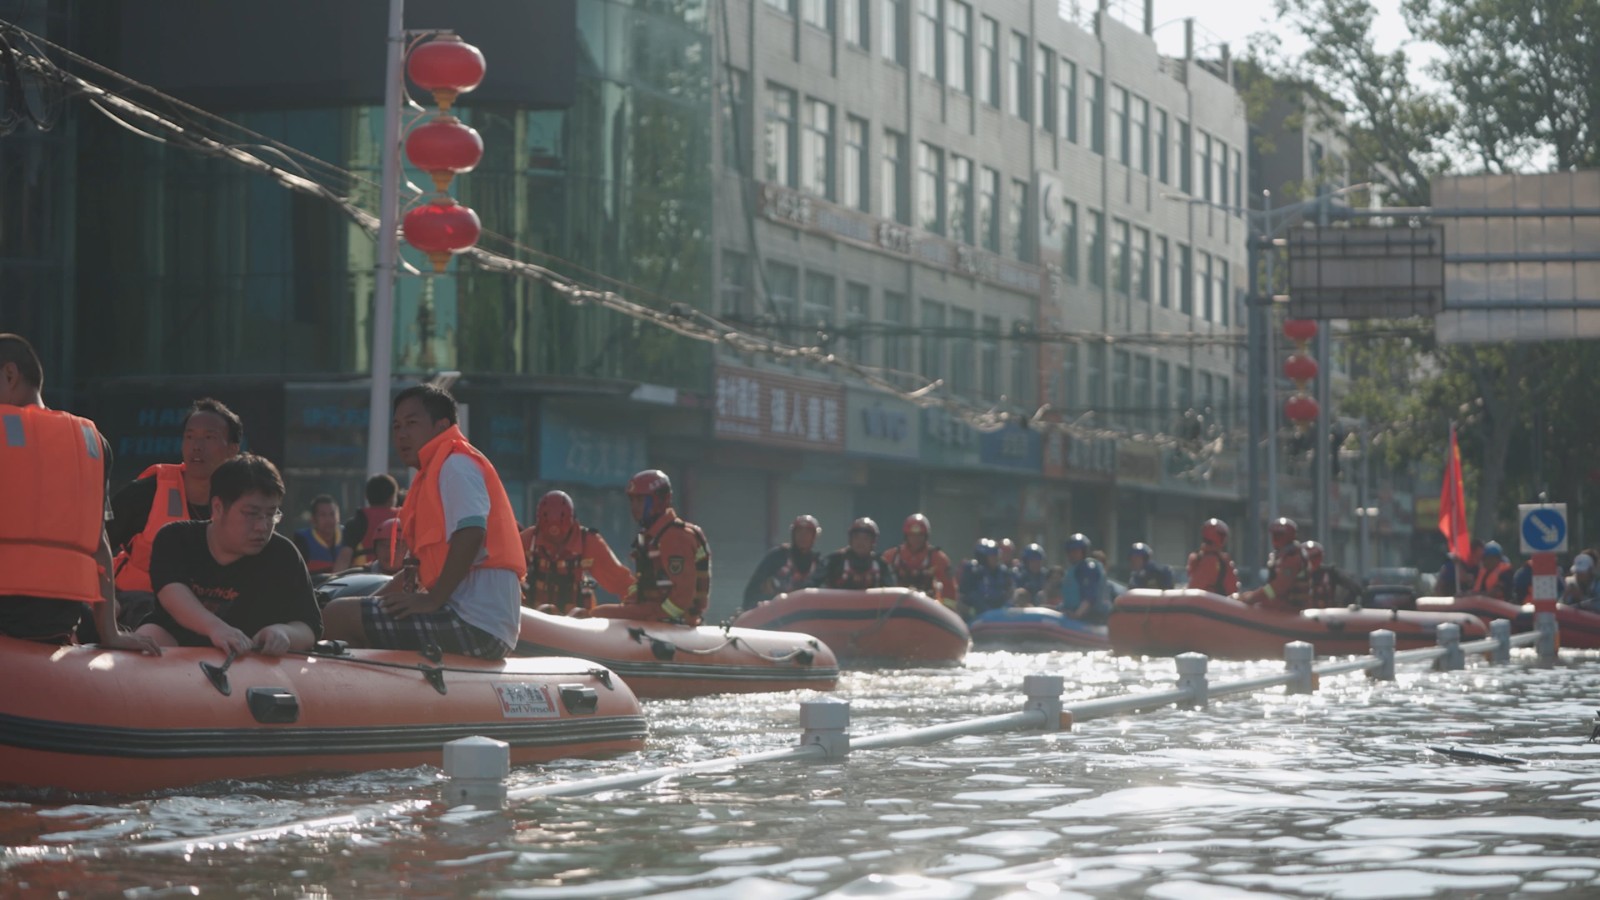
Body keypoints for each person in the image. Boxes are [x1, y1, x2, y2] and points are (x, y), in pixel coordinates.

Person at [321, 384, 526, 659]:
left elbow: (472, 531)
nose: (401, 434)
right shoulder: (434, 474)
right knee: (346, 610)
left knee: (337, 615)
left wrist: (433, 599)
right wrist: (369, 603)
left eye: (412, 423)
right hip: (469, 619)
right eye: (396, 426)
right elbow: (415, 571)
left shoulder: (455, 465)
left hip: (475, 625)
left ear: (441, 426)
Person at [0, 334, 158, 653]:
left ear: (9, 375)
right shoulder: (91, 443)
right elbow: (99, 542)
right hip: (54, 622)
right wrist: (109, 632)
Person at [134, 454, 322, 655]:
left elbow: (309, 625)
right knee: (149, 635)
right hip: (178, 644)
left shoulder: (284, 555)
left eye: (271, 514)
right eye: (251, 513)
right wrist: (216, 628)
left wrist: (284, 633)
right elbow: (171, 591)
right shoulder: (176, 538)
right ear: (218, 507)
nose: (262, 526)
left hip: (250, 659)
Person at [109, 397, 243, 629]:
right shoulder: (147, 492)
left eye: (209, 437)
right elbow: (94, 543)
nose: (196, 446)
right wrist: (103, 602)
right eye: (189, 437)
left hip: (207, 612)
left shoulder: (243, 502)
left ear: (233, 449)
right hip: (135, 604)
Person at [585, 469, 712, 626]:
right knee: (592, 612)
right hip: (655, 612)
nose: (634, 507)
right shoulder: (652, 536)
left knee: (599, 614)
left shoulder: (674, 537)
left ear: (661, 500)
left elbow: (683, 596)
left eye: (640, 500)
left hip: (671, 618)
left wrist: (656, 619)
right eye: (632, 500)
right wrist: (629, 605)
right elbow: (646, 584)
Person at [521, 490, 632, 615]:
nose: (556, 544)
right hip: (534, 617)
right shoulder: (529, 539)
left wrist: (635, 607)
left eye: (561, 536)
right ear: (539, 523)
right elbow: (507, 573)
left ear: (572, 521)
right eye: (549, 537)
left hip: (576, 622)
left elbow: (620, 581)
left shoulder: (588, 542)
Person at [743, 515, 824, 610]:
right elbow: (753, 589)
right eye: (799, 532)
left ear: (814, 536)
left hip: (803, 614)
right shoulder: (778, 556)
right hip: (772, 612)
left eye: (807, 533)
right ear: (793, 534)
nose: (803, 536)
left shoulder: (818, 564)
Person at [881, 513, 955, 604]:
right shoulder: (891, 556)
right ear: (906, 536)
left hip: (927, 607)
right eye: (912, 535)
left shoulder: (938, 558)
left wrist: (947, 609)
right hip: (896, 607)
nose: (916, 539)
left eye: (920, 535)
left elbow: (949, 589)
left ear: (926, 536)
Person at [1241, 518, 1312, 612]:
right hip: (1281, 606)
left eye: (1279, 535)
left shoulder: (1293, 558)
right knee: (1241, 597)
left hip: (1289, 609)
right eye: (1274, 535)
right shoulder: (1283, 555)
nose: (1275, 539)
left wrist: (1252, 598)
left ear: (1289, 537)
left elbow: (1278, 587)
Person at [334, 473, 401, 572]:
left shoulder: (356, 523)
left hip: (365, 580)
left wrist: (333, 580)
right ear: (392, 497)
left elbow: (344, 558)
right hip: (400, 579)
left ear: (366, 496)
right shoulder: (405, 519)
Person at [811, 517, 896, 590]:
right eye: (857, 538)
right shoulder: (834, 560)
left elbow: (892, 591)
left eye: (866, 539)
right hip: (837, 608)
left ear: (873, 542)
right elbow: (812, 584)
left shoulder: (881, 564)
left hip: (871, 609)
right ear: (850, 540)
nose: (860, 542)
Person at [1059, 533, 1110, 622]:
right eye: (1070, 551)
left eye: (1075, 551)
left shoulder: (1088, 568)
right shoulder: (1074, 569)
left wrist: (1077, 615)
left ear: (1084, 551)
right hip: (1077, 615)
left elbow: (1089, 597)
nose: (1072, 554)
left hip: (1091, 617)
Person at [957, 539, 1015, 616]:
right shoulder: (973, 571)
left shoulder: (1003, 571)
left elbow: (1010, 592)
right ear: (983, 557)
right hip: (976, 613)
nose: (995, 559)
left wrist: (1005, 608)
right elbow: (965, 594)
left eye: (996, 556)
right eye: (992, 556)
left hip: (999, 612)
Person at [292, 494, 343, 580]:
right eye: (323, 515)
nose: (329, 519)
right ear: (313, 519)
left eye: (332, 514)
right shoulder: (302, 540)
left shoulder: (349, 536)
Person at [1186, 517, 1239, 596]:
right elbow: (1232, 589)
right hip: (1217, 604)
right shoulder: (1221, 561)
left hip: (1195, 603)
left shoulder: (1195, 558)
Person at [1304, 541, 1365, 607]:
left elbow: (1355, 587)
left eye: (1315, 556)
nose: (1311, 560)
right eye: (1308, 557)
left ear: (1321, 557)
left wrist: (1343, 606)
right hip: (1296, 613)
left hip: (1325, 614)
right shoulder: (1295, 575)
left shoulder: (1330, 572)